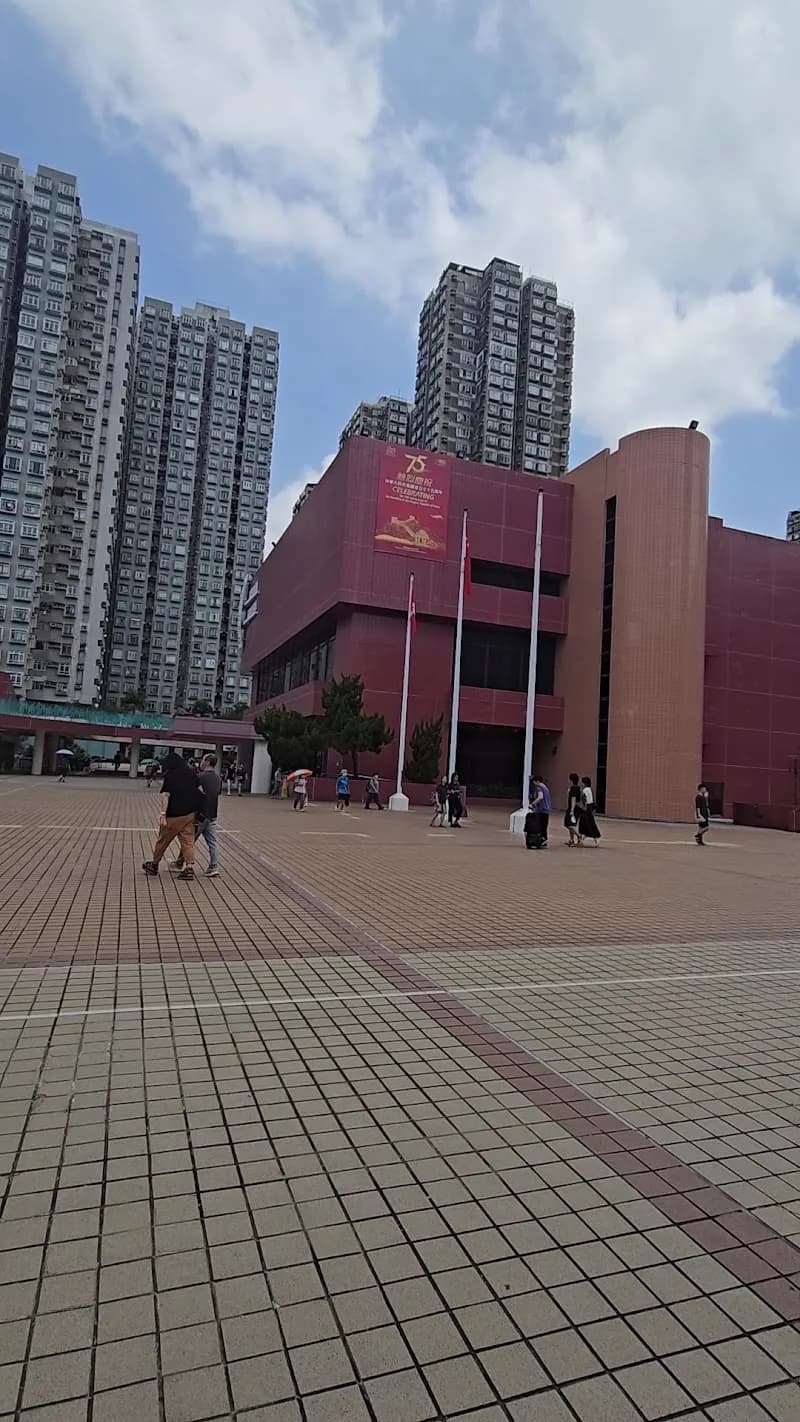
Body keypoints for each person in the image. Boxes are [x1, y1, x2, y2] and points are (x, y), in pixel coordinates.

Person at [142, 751, 203, 880]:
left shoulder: (171, 775)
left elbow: (165, 795)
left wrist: (163, 814)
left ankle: (154, 864)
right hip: (189, 814)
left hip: (173, 815)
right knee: (188, 842)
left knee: (163, 841)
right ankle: (189, 867)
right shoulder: (192, 773)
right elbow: (199, 790)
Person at [171, 752, 222, 877]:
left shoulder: (200, 777)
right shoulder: (218, 778)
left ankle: (181, 863)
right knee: (212, 842)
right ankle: (214, 866)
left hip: (200, 814)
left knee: (188, 839)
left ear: (207, 762)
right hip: (212, 814)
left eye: (203, 760)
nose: (201, 762)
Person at [577, 775, 601, 845]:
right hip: (589, 808)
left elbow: (583, 800)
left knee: (587, 823)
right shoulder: (589, 789)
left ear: (584, 783)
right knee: (587, 823)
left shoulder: (585, 790)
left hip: (586, 808)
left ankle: (595, 837)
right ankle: (583, 838)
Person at [530, 775, 551, 847]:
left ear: (537, 781)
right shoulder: (546, 788)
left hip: (541, 810)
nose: (534, 784)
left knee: (540, 826)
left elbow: (540, 797)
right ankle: (544, 840)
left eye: (534, 782)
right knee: (544, 827)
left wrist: (533, 804)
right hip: (546, 810)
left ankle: (541, 840)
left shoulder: (539, 787)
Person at [564, 772, 581, 846]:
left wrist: (571, 810)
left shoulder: (573, 789)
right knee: (571, 824)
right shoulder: (578, 788)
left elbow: (573, 799)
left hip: (573, 809)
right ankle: (571, 840)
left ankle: (579, 836)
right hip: (576, 809)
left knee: (568, 824)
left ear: (571, 780)